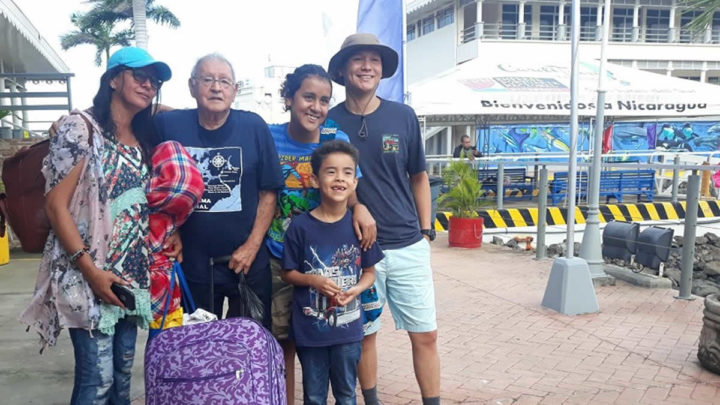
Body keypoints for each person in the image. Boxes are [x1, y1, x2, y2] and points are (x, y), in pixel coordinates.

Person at [19, 46, 172, 404]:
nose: (149, 85)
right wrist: (91, 271)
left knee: (121, 382)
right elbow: (56, 206)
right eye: (140, 76)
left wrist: (171, 234)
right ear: (114, 79)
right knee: (96, 382)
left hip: (132, 276)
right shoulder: (80, 127)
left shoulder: (144, 137)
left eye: (155, 80)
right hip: (90, 274)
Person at [327, 33, 442, 405]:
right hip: (358, 249)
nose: (367, 66)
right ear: (343, 70)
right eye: (358, 59)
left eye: (373, 60)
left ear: (381, 70)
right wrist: (356, 205)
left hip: (408, 244)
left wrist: (425, 231)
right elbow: (329, 183)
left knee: (425, 334)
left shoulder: (403, 116)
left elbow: (418, 176)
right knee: (364, 334)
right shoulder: (328, 123)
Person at [266, 64, 375, 403]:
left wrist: (361, 207)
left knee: (336, 337)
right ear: (289, 98)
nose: (316, 106)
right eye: (308, 97)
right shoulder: (269, 136)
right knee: (284, 340)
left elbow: (348, 182)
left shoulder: (334, 138)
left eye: (324, 100)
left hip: (328, 257)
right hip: (278, 255)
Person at [153, 53, 283, 325]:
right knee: (198, 351)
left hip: (246, 264)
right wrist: (172, 229)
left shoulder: (253, 127)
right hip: (191, 264)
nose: (216, 87)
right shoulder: (169, 126)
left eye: (224, 81)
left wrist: (252, 245)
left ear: (235, 90)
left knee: (249, 347)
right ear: (191, 85)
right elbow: (152, 181)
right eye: (207, 79)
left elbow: (268, 193)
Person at [282, 140, 383, 405]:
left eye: (347, 172)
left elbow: (370, 272)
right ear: (315, 180)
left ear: (355, 183)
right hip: (309, 332)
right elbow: (287, 273)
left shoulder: (360, 227)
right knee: (314, 397)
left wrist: (356, 290)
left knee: (347, 395)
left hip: (348, 332)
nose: (340, 178)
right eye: (331, 171)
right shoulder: (300, 227)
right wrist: (312, 280)